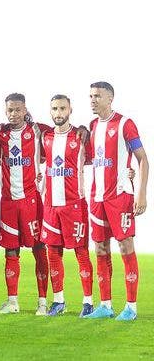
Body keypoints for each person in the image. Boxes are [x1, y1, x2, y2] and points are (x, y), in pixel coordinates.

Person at [85, 82, 148, 321]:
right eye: (90, 95)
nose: (92, 99)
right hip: (97, 196)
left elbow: (143, 159)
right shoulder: (92, 126)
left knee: (125, 246)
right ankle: (106, 305)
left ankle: (131, 307)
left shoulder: (124, 124)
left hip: (120, 196)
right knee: (100, 247)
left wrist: (141, 193)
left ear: (110, 98)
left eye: (97, 96)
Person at [0, 93, 50, 315]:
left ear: (25, 110)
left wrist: (82, 128)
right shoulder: (0, 132)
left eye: (17, 110)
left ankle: (43, 303)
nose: (13, 114)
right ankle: (12, 302)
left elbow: (64, 135)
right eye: (9, 110)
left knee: (38, 248)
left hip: (31, 201)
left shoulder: (38, 130)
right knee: (10, 251)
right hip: (8, 202)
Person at [40, 94, 95, 317]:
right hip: (51, 205)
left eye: (63, 108)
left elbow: (99, 159)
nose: (59, 112)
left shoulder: (81, 137)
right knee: (52, 253)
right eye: (55, 108)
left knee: (81, 253)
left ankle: (88, 302)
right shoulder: (45, 137)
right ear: (50, 111)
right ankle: (59, 301)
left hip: (75, 205)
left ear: (70, 110)